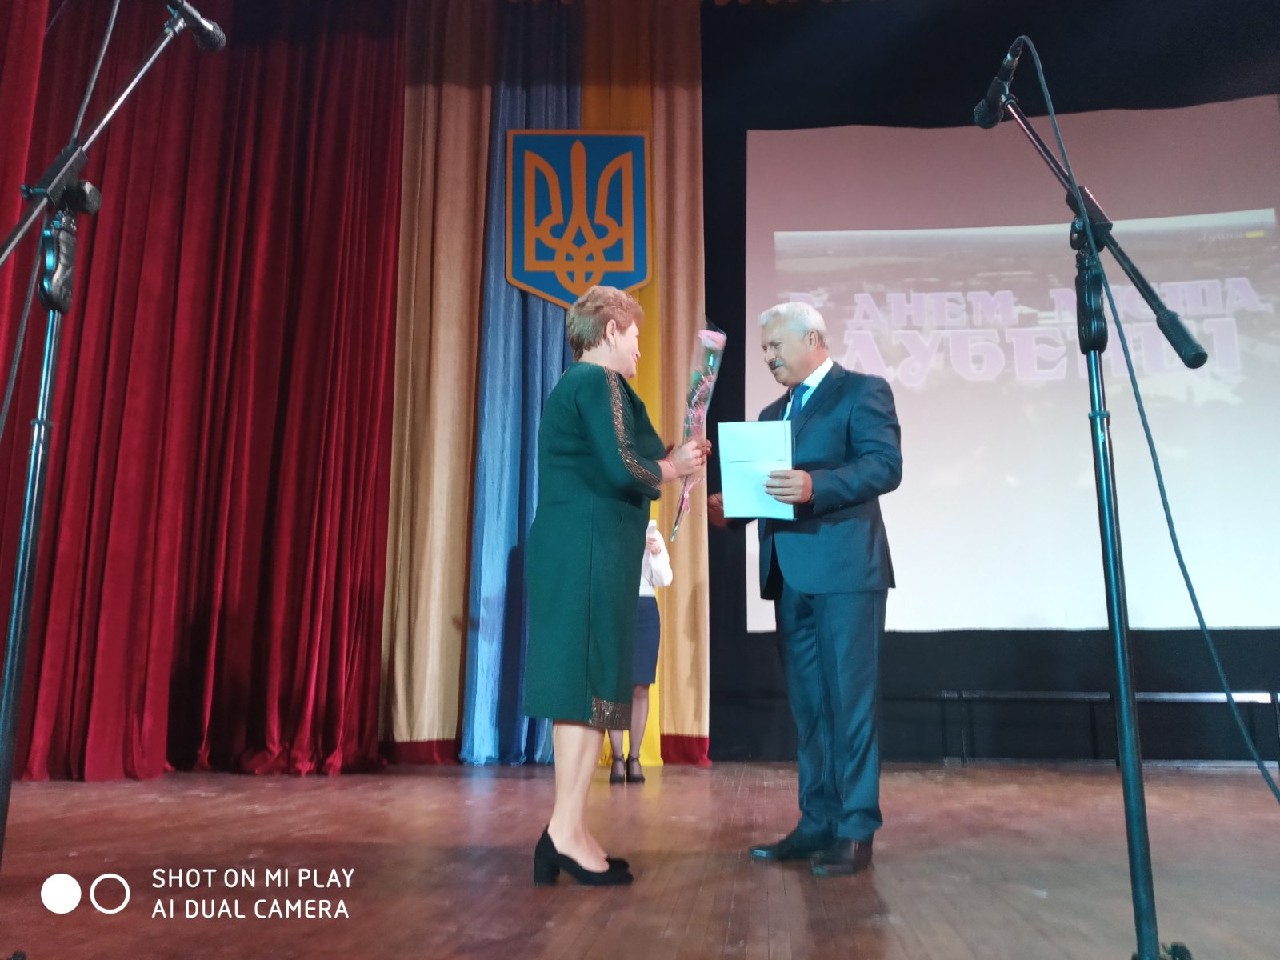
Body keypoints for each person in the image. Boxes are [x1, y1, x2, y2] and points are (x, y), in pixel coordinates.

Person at [709, 301, 902, 878]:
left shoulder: (862, 391)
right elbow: (767, 492)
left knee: (851, 706)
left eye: (776, 346)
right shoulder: (771, 414)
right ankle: (817, 821)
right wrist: (733, 509)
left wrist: (817, 484)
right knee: (811, 708)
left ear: (813, 339)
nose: (768, 357)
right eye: (764, 349)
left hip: (846, 575)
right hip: (789, 578)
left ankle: (856, 828)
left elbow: (884, 466)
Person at [524, 285, 709, 887]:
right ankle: (563, 832)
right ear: (609, 331)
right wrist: (672, 468)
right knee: (584, 688)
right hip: (584, 552)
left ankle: (567, 829)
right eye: (633, 336)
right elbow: (624, 465)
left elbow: (638, 453)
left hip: (594, 553)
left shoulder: (598, 388)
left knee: (596, 689)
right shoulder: (593, 381)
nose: (638, 349)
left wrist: (679, 454)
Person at [608, 519, 673, 785]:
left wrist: (655, 554)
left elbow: (665, 579)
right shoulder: (609, 528)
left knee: (641, 686)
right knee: (612, 684)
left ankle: (634, 757)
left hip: (645, 608)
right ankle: (616, 757)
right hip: (613, 606)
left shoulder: (651, 532)